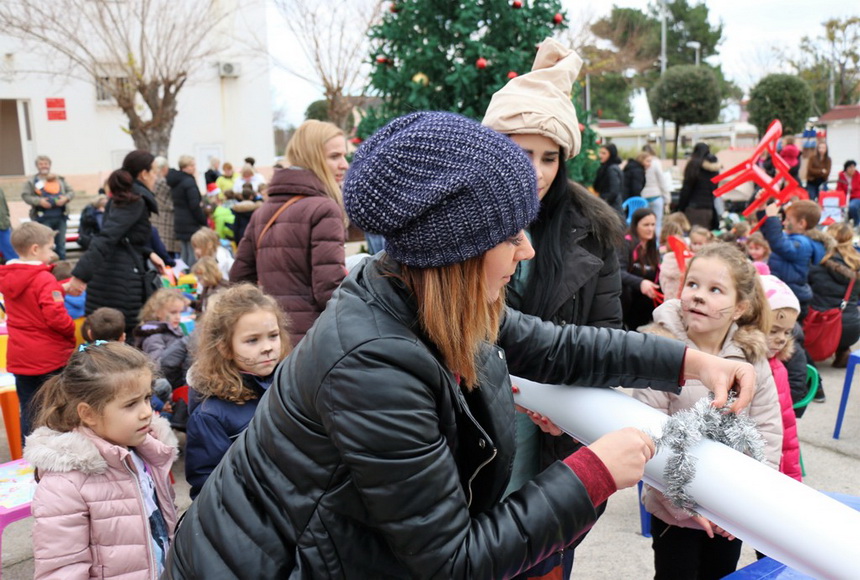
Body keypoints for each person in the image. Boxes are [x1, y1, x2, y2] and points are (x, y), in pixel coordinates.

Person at [165, 111, 757, 579]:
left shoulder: (421, 296)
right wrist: (593, 472)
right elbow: (451, 561)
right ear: (459, 253)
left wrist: (686, 360)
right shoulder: (373, 367)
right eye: (510, 235)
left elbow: (554, 346)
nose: (526, 250)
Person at [482, 37, 624, 577]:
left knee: (543, 559)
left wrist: (561, 406)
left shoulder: (595, 230)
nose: (538, 171)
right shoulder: (458, 223)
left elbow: (606, 340)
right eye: (523, 153)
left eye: (550, 156)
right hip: (472, 433)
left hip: (550, 446)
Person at [633, 242, 782, 580]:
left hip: (731, 513)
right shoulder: (661, 350)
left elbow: (768, 433)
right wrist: (681, 504)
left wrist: (743, 508)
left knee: (721, 573)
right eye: (693, 285)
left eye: (715, 290)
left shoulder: (752, 358)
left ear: (740, 307)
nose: (699, 296)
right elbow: (648, 433)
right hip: (674, 512)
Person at [24, 341, 179, 579]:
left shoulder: (145, 452)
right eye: (130, 404)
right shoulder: (66, 485)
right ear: (88, 414)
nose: (147, 411)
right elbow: (61, 569)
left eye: (147, 398)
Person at [230, 119, 349, 345]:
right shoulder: (324, 209)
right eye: (334, 156)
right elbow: (329, 289)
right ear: (311, 157)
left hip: (273, 338)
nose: (344, 164)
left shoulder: (263, 211)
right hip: (314, 339)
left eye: (344, 156)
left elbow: (238, 279)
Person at [184, 283, 292, 499]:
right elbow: (209, 485)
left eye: (273, 335)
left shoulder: (289, 384)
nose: (268, 347)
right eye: (252, 340)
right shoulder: (209, 415)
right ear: (225, 347)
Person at [65, 151, 165, 338]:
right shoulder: (133, 201)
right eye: (154, 172)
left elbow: (125, 236)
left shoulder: (124, 197)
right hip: (118, 281)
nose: (156, 176)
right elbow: (107, 237)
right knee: (118, 339)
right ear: (143, 174)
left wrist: (148, 252)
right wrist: (80, 275)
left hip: (114, 275)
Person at [0, 221, 76, 439]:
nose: (52, 253)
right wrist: (70, 329)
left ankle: (32, 452)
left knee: (30, 409)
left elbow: (28, 299)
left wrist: (58, 288)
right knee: (57, 408)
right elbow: (55, 317)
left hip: (20, 357)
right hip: (49, 357)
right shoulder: (44, 278)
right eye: (50, 248)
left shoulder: (8, 277)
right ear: (35, 249)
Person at [760, 274, 803, 482]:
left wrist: (794, 480)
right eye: (774, 330)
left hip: (773, 471)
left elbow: (788, 430)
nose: (781, 339)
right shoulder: (735, 365)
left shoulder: (778, 368)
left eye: (786, 332)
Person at [761, 200, 827, 318]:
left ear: (801, 223)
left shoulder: (802, 244)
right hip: (786, 293)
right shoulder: (793, 239)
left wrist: (772, 218)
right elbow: (770, 235)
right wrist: (762, 210)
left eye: (788, 219)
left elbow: (779, 244)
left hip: (792, 296)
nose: (784, 223)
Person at [809, 222, 860, 368]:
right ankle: (843, 350)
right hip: (851, 327)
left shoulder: (819, 263)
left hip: (823, 326)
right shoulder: (857, 265)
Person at [21, 155, 75, 260]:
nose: (43, 166)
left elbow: (71, 192)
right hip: (42, 219)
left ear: (49, 165)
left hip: (60, 217)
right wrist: (39, 201)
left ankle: (62, 270)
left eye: (46, 164)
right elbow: (25, 196)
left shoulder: (60, 179)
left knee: (61, 245)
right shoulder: (31, 181)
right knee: (44, 245)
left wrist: (65, 199)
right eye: (41, 164)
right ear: (37, 166)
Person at [619, 207, 661, 330]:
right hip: (628, 299)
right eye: (646, 225)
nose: (650, 229)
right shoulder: (626, 244)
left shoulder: (653, 246)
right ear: (636, 226)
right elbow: (618, 272)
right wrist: (640, 283)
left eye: (653, 224)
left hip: (648, 300)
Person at [167, 155, 206, 267]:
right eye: (192, 165)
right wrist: (202, 220)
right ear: (185, 167)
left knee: (184, 252)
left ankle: (183, 276)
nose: (194, 168)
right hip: (190, 221)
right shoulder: (189, 181)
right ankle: (193, 278)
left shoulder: (176, 181)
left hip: (179, 219)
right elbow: (194, 204)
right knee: (193, 253)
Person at [133, 288, 188, 362]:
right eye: (173, 312)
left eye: (180, 312)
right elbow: (157, 364)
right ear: (158, 312)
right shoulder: (153, 335)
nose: (178, 317)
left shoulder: (175, 329)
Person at [678, 145, 721, 229]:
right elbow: (715, 189)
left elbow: (686, 189)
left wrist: (681, 207)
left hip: (693, 208)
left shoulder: (693, 165)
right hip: (709, 209)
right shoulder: (715, 168)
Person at [150, 156, 180, 260]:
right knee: (168, 251)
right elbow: (172, 202)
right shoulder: (163, 182)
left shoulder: (153, 181)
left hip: (156, 218)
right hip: (167, 219)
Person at [641, 145, 672, 235]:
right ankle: (656, 244)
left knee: (645, 223)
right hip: (656, 195)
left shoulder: (640, 162)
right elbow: (662, 181)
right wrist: (667, 198)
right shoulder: (656, 162)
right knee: (657, 223)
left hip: (643, 196)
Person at [593, 143, 624, 216]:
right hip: (609, 206)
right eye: (600, 153)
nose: (600, 155)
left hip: (612, 208)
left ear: (611, 154)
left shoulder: (611, 169)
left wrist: (603, 202)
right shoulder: (605, 167)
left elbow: (613, 191)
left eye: (604, 153)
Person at [836, 160, 860, 225]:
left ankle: (857, 223)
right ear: (846, 168)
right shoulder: (841, 176)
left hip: (856, 197)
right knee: (841, 208)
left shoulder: (858, 176)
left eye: (854, 167)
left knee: (852, 206)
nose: (852, 169)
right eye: (850, 167)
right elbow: (839, 188)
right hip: (844, 196)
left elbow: (858, 189)